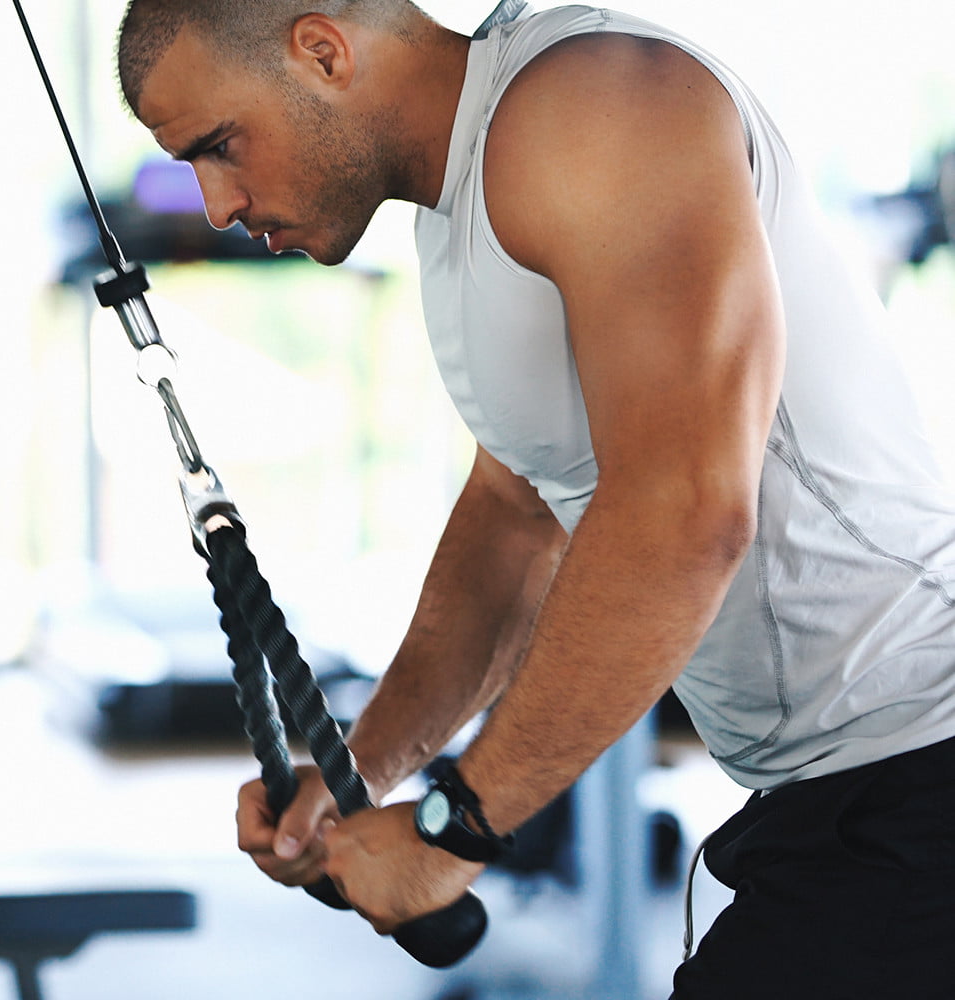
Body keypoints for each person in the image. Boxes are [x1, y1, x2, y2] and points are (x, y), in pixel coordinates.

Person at [115, 1, 955, 996]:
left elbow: (687, 512)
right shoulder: (460, 204)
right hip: (839, 792)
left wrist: (453, 826)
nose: (214, 205)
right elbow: (517, 518)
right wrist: (358, 776)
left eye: (218, 146)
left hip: (921, 759)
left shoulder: (593, 107)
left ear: (322, 52)